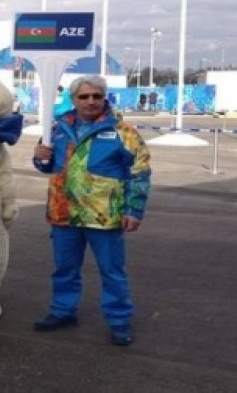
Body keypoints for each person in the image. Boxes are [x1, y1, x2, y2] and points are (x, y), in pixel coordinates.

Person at [31, 75, 151, 346]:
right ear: (73, 100)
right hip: (64, 214)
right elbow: (47, 166)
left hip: (104, 216)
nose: (91, 101)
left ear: (104, 97)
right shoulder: (57, 128)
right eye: (83, 97)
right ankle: (63, 311)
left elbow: (140, 173)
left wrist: (134, 210)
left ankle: (119, 321)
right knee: (64, 268)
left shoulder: (124, 133)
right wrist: (40, 157)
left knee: (112, 271)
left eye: (96, 96)